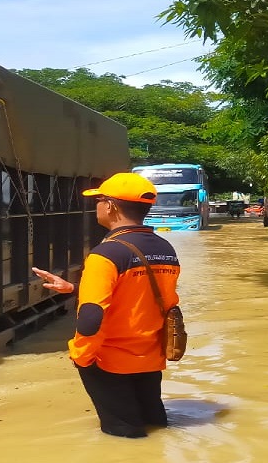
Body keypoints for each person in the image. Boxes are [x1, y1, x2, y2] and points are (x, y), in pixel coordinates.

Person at [32, 172, 183, 438]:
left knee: (125, 438)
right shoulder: (165, 248)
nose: (97, 206)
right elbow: (143, 295)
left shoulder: (106, 253)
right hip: (150, 357)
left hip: (110, 361)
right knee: (157, 428)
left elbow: (91, 316)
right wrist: (74, 289)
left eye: (99, 200)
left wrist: (81, 355)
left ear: (111, 206)